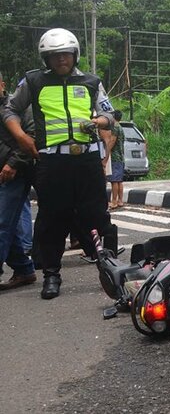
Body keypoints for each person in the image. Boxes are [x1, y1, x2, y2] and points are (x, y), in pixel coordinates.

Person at [2, 28, 118, 299]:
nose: (60, 60)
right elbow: (10, 109)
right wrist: (20, 137)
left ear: (74, 54)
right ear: (46, 59)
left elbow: (109, 114)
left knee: (97, 215)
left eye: (65, 54)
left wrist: (98, 121)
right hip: (52, 162)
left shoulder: (91, 81)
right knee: (53, 218)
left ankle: (111, 268)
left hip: (87, 160)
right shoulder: (33, 81)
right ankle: (51, 275)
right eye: (53, 56)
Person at [0, 71, 37, 291]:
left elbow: (32, 135)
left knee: (2, 224)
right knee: (7, 226)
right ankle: (24, 269)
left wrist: (13, 164)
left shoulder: (16, 106)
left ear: (2, 85)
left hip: (15, 173)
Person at [102, 110, 125, 209]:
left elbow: (112, 141)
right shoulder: (121, 127)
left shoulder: (115, 127)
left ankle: (114, 201)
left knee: (114, 180)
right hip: (121, 156)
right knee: (119, 180)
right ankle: (120, 200)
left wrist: (106, 153)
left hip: (115, 156)